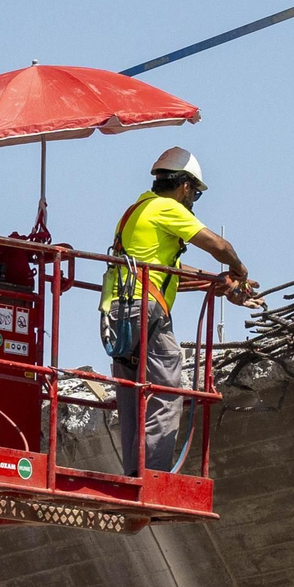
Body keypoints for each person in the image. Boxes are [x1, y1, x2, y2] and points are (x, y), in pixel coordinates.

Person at [100, 147, 256, 476]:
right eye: (195, 194)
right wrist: (239, 269)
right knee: (168, 391)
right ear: (185, 187)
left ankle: (134, 476)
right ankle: (153, 476)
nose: (193, 201)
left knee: (133, 396)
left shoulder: (136, 211)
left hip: (117, 315)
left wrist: (220, 286)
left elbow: (165, 273)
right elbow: (220, 247)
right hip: (145, 310)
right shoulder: (167, 208)